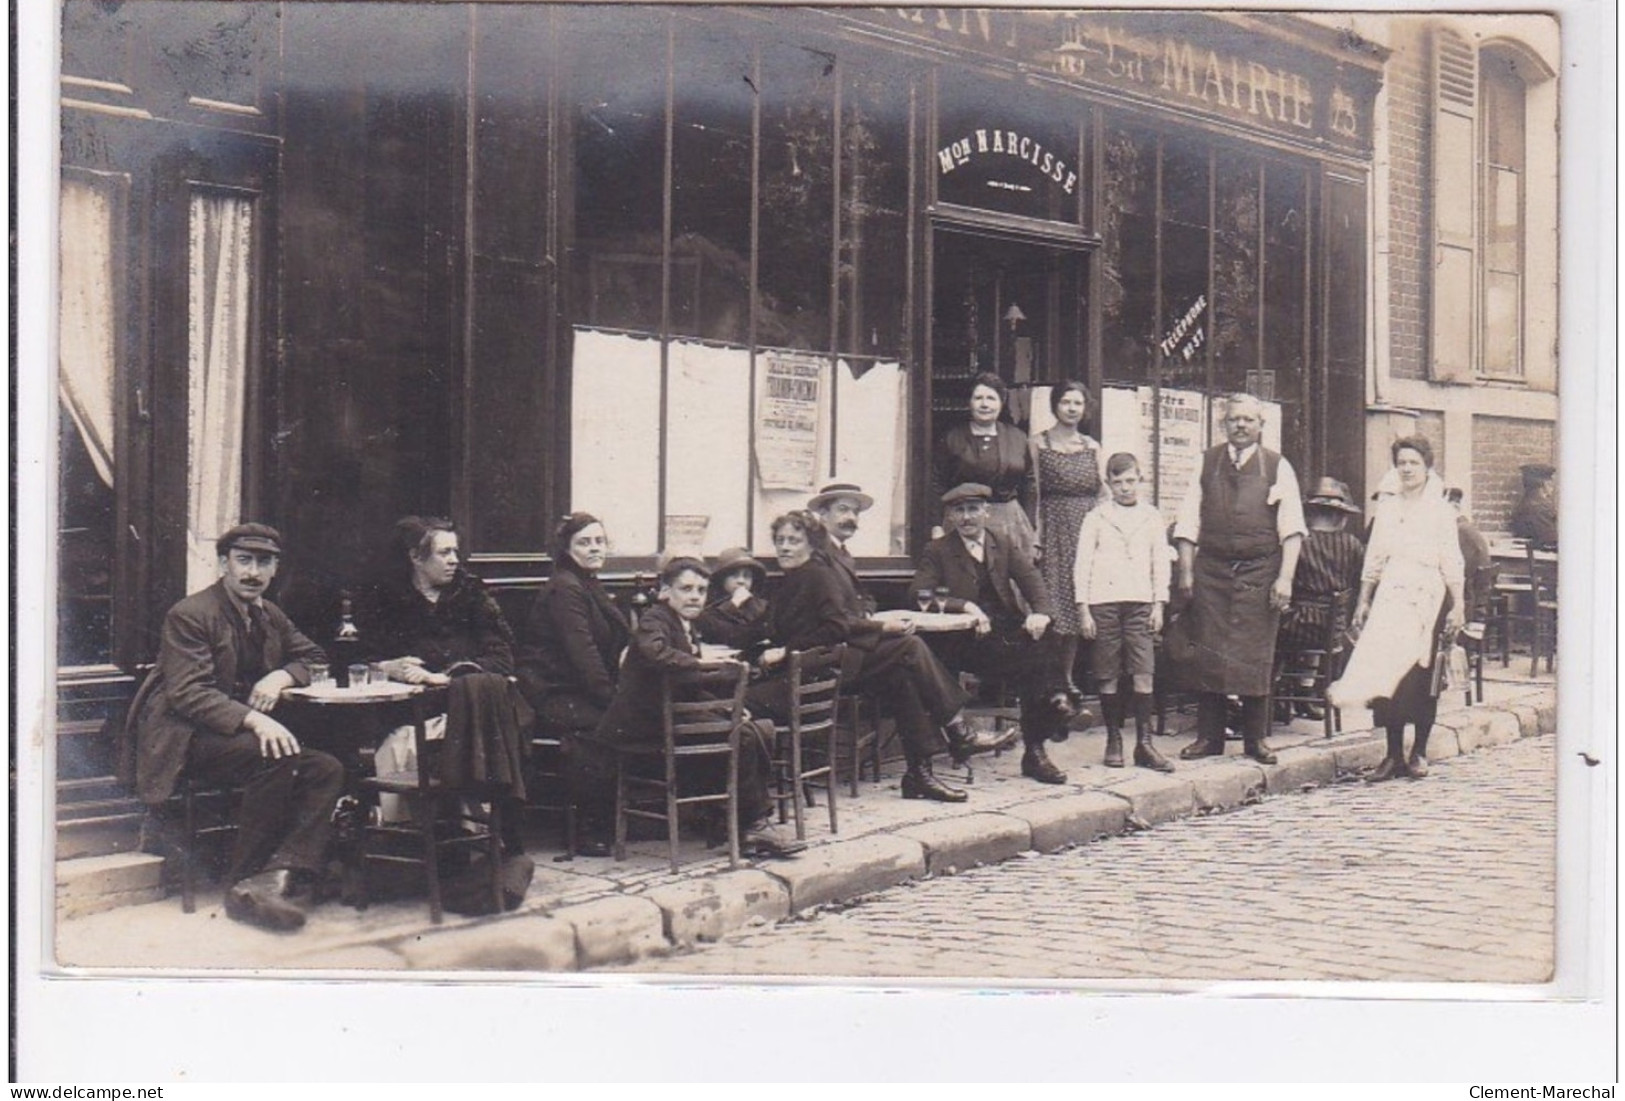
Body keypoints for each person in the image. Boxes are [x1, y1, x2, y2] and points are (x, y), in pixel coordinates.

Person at [120, 523, 343, 932]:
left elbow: (314, 656)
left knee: (325, 767)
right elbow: (188, 694)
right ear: (223, 564)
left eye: (264, 562)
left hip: (233, 738)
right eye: (243, 561)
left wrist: (281, 677)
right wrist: (255, 719)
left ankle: (280, 874)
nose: (252, 572)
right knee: (274, 754)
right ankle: (242, 883)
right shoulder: (191, 614)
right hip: (185, 738)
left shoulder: (268, 614)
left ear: (275, 569)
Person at [752, 510, 996, 803]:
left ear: (811, 544)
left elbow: (835, 624)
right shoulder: (799, 577)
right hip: (815, 669)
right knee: (910, 647)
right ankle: (957, 732)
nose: (785, 547)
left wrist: (786, 648)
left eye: (794, 540)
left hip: (823, 663)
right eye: (780, 540)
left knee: (902, 675)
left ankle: (920, 774)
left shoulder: (815, 573)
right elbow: (835, 627)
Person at [590, 557, 804, 858]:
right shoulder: (655, 619)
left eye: (702, 590)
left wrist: (729, 708)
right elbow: (655, 653)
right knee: (740, 735)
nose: (694, 596)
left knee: (758, 727)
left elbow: (690, 683)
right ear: (665, 591)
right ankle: (750, 825)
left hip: (671, 715)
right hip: (643, 725)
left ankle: (734, 820)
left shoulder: (684, 623)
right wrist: (700, 662)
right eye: (686, 588)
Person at [365, 516, 526, 847]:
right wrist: (388, 665)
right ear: (415, 557)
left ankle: (457, 836)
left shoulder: (472, 596)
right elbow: (359, 657)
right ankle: (413, 840)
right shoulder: (386, 601)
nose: (454, 560)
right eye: (444, 552)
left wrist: (443, 678)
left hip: (469, 714)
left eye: (456, 551)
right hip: (405, 713)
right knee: (400, 742)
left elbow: (502, 658)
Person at [1172, 393, 1306, 765]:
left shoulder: (1278, 467)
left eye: (1248, 420)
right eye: (1234, 420)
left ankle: (1255, 740)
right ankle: (1209, 739)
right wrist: (1186, 571)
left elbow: (1292, 529)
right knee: (1210, 652)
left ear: (1261, 426)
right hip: (1212, 570)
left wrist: (1285, 579)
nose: (1241, 426)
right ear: (1224, 424)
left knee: (1255, 653)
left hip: (1259, 572)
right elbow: (1187, 521)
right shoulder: (1206, 463)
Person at [911, 484, 1073, 786]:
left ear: (986, 512)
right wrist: (965, 606)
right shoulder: (938, 550)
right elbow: (918, 593)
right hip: (964, 640)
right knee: (1036, 666)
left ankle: (1039, 743)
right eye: (959, 511)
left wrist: (1040, 612)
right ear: (950, 516)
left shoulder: (1002, 541)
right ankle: (1058, 705)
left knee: (1044, 636)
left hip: (1004, 631)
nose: (967, 517)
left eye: (973, 509)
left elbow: (1032, 579)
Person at [1328, 437, 1465, 781]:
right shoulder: (1388, 508)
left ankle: (1418, 751)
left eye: (1413, 463)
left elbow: (1451, 560)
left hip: (1429, 596)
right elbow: (1374, 558)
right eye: (1401, 462)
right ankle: (1392, 755)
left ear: (1427, 466)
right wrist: (1363, 599)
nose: (1406, 469)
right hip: (1391, 595)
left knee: (1422, 678)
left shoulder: (1440, 510)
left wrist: (1458, 604)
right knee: (1388, 674)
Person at [1073, 454, 1174, 773]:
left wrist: (1159, 603)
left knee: (1144, 670)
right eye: (1117, 482)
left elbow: (1160, 562)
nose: (1125, 488)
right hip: (1103, 602)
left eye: (1130, 481)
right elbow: (1083, 563)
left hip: (1141, 602)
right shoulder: (1097, 517)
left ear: (1140, 479)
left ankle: (1144, 743)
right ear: (1108, 483)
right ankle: (1114, 739)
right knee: (1108, 673)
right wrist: (1083, 609)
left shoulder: (1152, 517)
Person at [515, 513, 627, 737]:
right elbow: (584, 654)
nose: (594, 548)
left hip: (581, 692)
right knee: (632, 725)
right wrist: (614, 701)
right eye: (584, 543)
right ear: (567, 549)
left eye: (599, 541)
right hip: (555, 694)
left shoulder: (588, 583)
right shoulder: (566, 587)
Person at [1029, 380, 1104, 700]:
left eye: (1078, 404)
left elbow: (1102, 493)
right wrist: (1035, 533)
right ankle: (1050, 678)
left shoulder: (1092, 446)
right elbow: (1033, 492)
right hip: (1053, 528)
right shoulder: (1038, 443)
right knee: (1053, 602)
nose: (1072, 409)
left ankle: (1069, 678)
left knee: (1078, 602)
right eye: (1066, 402)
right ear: (1055, 405)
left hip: (1086, 529)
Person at [1273, 478, 1366, 721]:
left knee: (1271, 632)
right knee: (1311, 628)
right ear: (1341, 517)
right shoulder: (1353, 545)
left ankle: (1276, 695)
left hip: (1296, 626)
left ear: (1310, 514)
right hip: (1331, 630)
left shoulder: (1299, 543)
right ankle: (1304, 692)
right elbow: (1358, 581)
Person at [934, 372, 1037, 562]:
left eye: (991, 398)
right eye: (978, 398)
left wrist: (1031, 525)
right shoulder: (953, 438)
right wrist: (936, 526)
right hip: (964, 520)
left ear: (1001, 403)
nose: (984, 404)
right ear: (970, 402)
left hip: (1009, 521)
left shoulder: (1018, 438)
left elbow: (1029, 484)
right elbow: (937, 483)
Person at [808, 482, 877, 616]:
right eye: (843, 509)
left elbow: (861, 596)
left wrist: (867, 612)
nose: (851, 517)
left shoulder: (842, 552)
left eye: (855, 512)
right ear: (823, 514)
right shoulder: (817, 552)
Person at [696, 546, 770, 651]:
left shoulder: (761, 606)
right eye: (734, 575)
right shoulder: (708, 607)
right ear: (722, 579)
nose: (741, 581)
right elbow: (718, 631)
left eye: (747, 576)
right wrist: (732, 605)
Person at [1447, 487, 1494, 626]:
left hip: (1473, 598)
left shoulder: (1460, 530)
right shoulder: (1467, 527)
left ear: (1454, 507)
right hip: (1478, 592)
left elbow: (1462, 570)